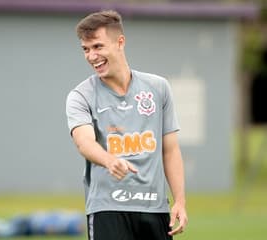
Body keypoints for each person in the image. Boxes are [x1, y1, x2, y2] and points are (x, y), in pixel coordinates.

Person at [65, 10, 188, 240]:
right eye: (85, 49)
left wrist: (179, 201)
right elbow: (84, 142)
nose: (91, 56)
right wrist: (109, 160)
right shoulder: (80, 96)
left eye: (98, 46)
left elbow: (170, 150)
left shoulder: (158, 88)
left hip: (155, 208)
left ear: (120, 42)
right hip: (107, 209)